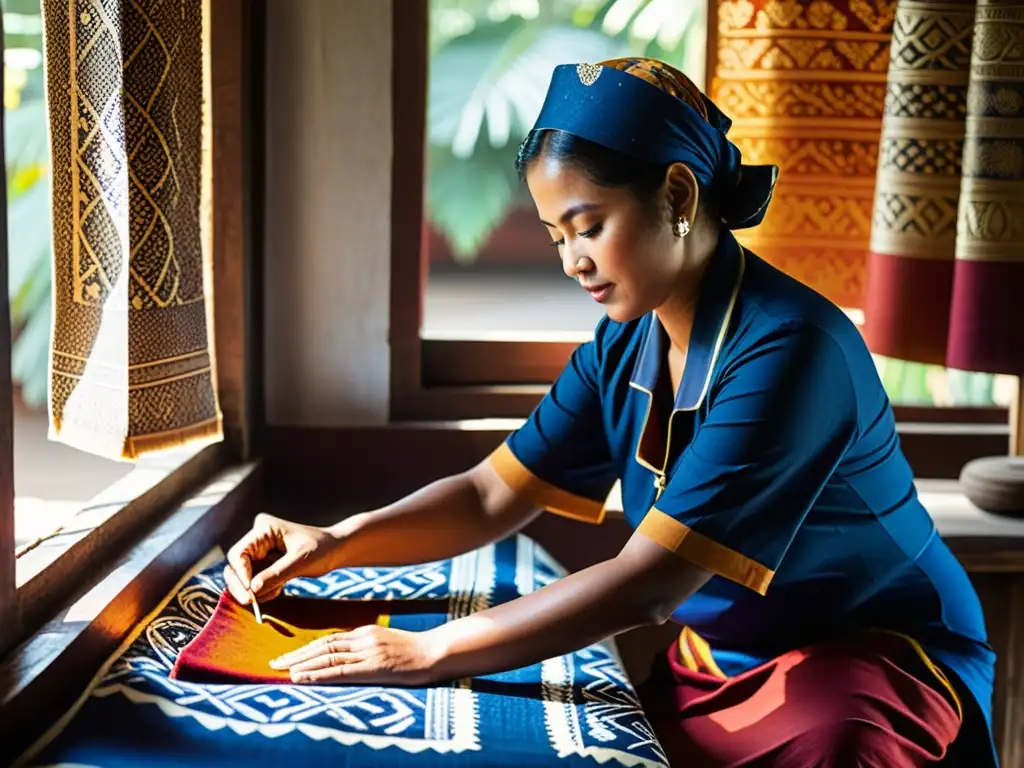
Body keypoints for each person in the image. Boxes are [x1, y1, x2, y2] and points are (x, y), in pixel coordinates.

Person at [225, 58, 997, 767]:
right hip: (722, 656)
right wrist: (336, 541)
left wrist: (430, 651)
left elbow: (649, 583)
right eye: (556, 234)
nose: (571, 261)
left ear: (678, 196)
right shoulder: (624, 342)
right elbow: (494, 493)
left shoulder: (795, 351)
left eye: (589, 226)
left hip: (870, 653)